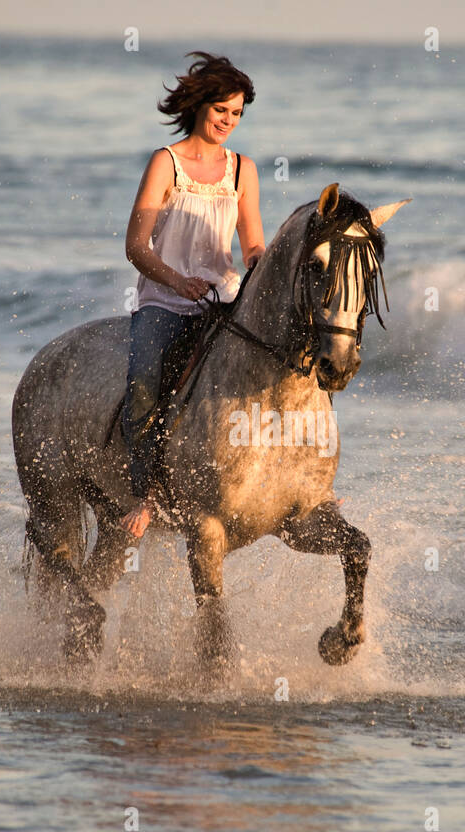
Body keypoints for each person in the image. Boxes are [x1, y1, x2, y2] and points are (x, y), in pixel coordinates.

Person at [121, 52, 266, 538]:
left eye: (237, 113)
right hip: (164, 299)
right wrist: (176, 280)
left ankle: (295, 480)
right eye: (222, 109)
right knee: (144, 380)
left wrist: (265, 266)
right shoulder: (166, 163)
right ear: (200, 105)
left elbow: (252, 244)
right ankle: (145, 493)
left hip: (222, 297)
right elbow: (135, 248)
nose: (229, 120)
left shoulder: (243, 170)